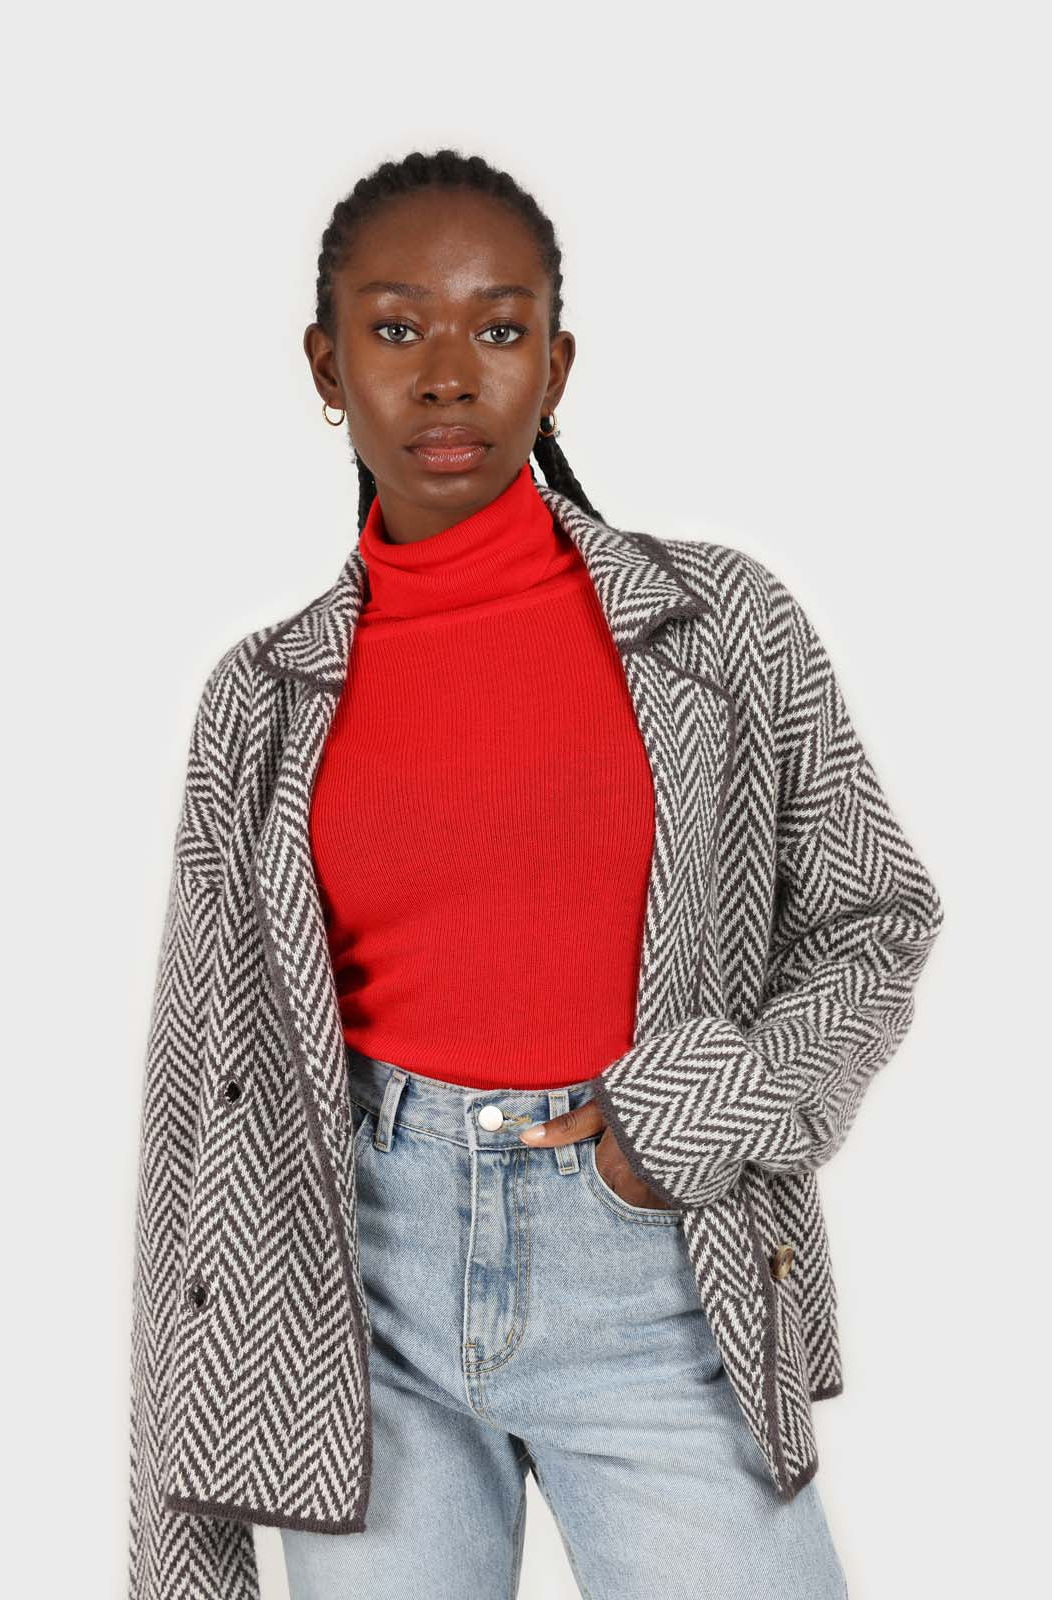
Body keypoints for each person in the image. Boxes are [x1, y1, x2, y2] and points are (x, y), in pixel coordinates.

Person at [128, 148, 943, 1600]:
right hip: (353, 1307)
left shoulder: (721, 628)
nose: (449, 375)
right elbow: (206, 1100)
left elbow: (875, 918)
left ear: (555, 367)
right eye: (396, 328)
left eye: (499, 329)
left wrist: (688, 1118)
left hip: (652, 1270)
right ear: (326, 365)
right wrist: (179, 1552)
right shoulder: (261, 702)